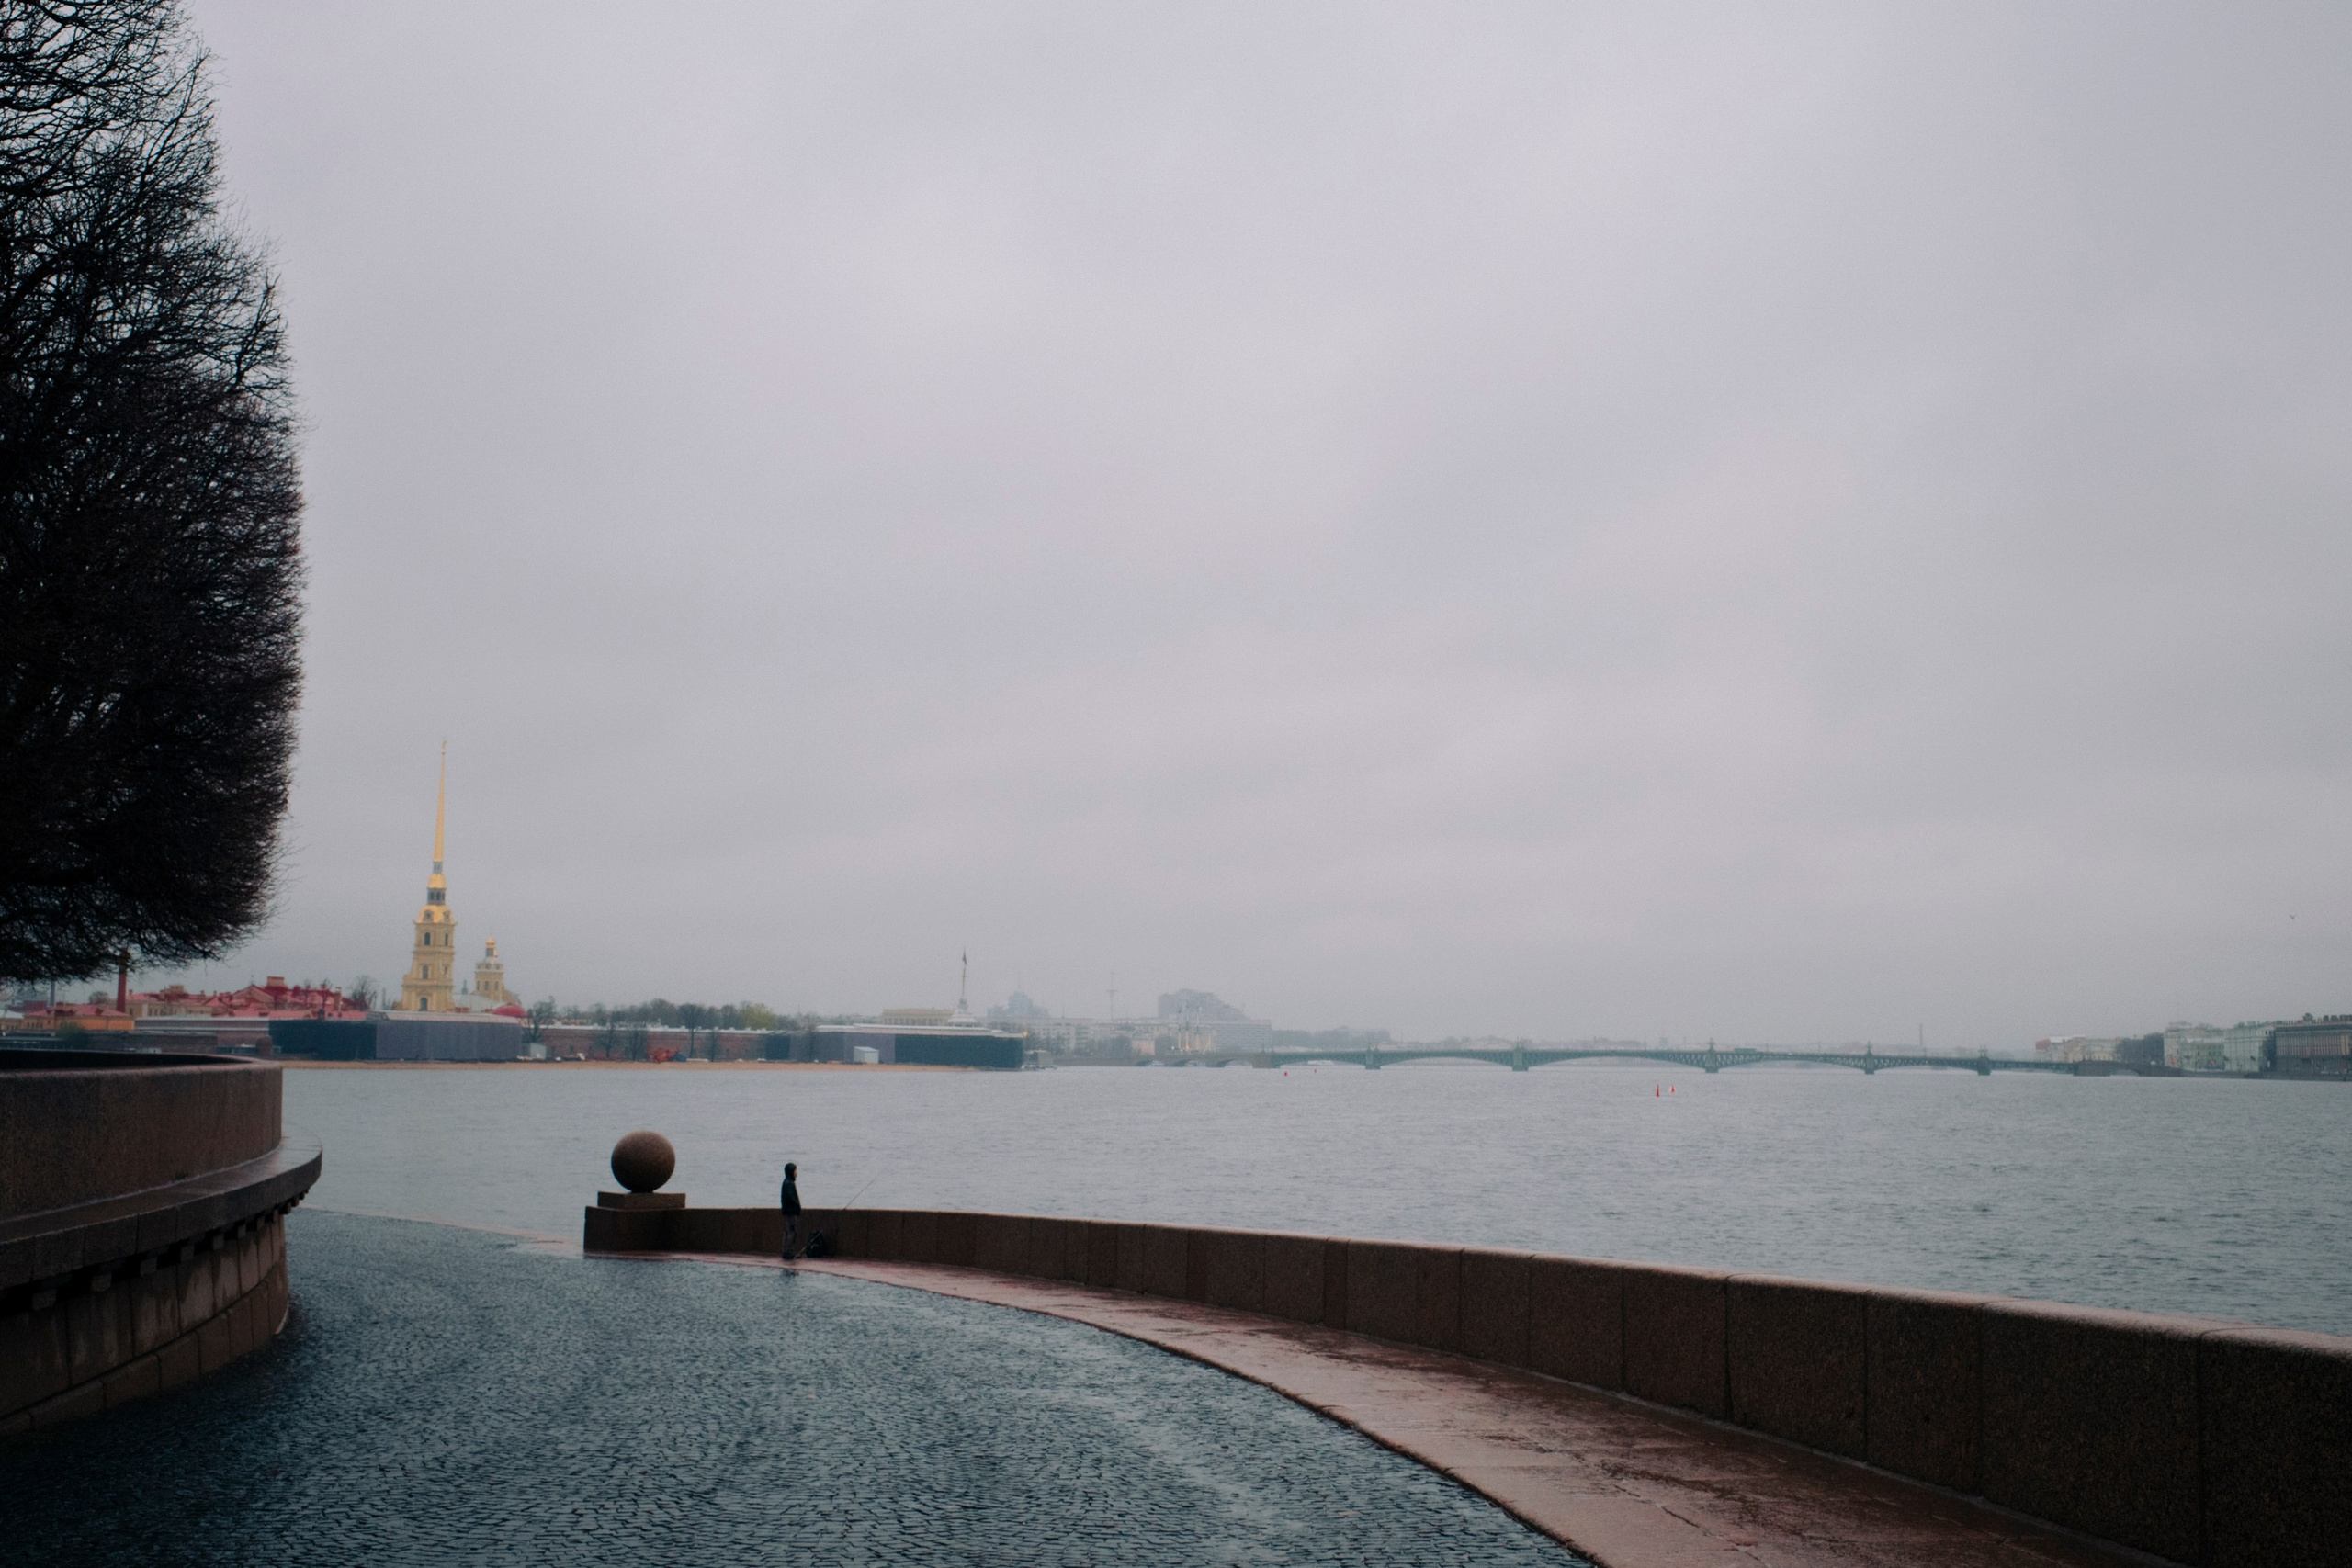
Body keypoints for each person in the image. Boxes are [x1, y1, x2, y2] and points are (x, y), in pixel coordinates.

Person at [779, 1161, 803, 1260]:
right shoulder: (789, 1183)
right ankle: (789, 1251)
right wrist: (797, 1206)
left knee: (787, 1231)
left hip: (786, 1211)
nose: (796, 1173)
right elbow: (790, 1197)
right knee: (792, 1231)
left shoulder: (786, 1182)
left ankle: (785, 1251)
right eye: (795, 1171)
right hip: (791, 1212)